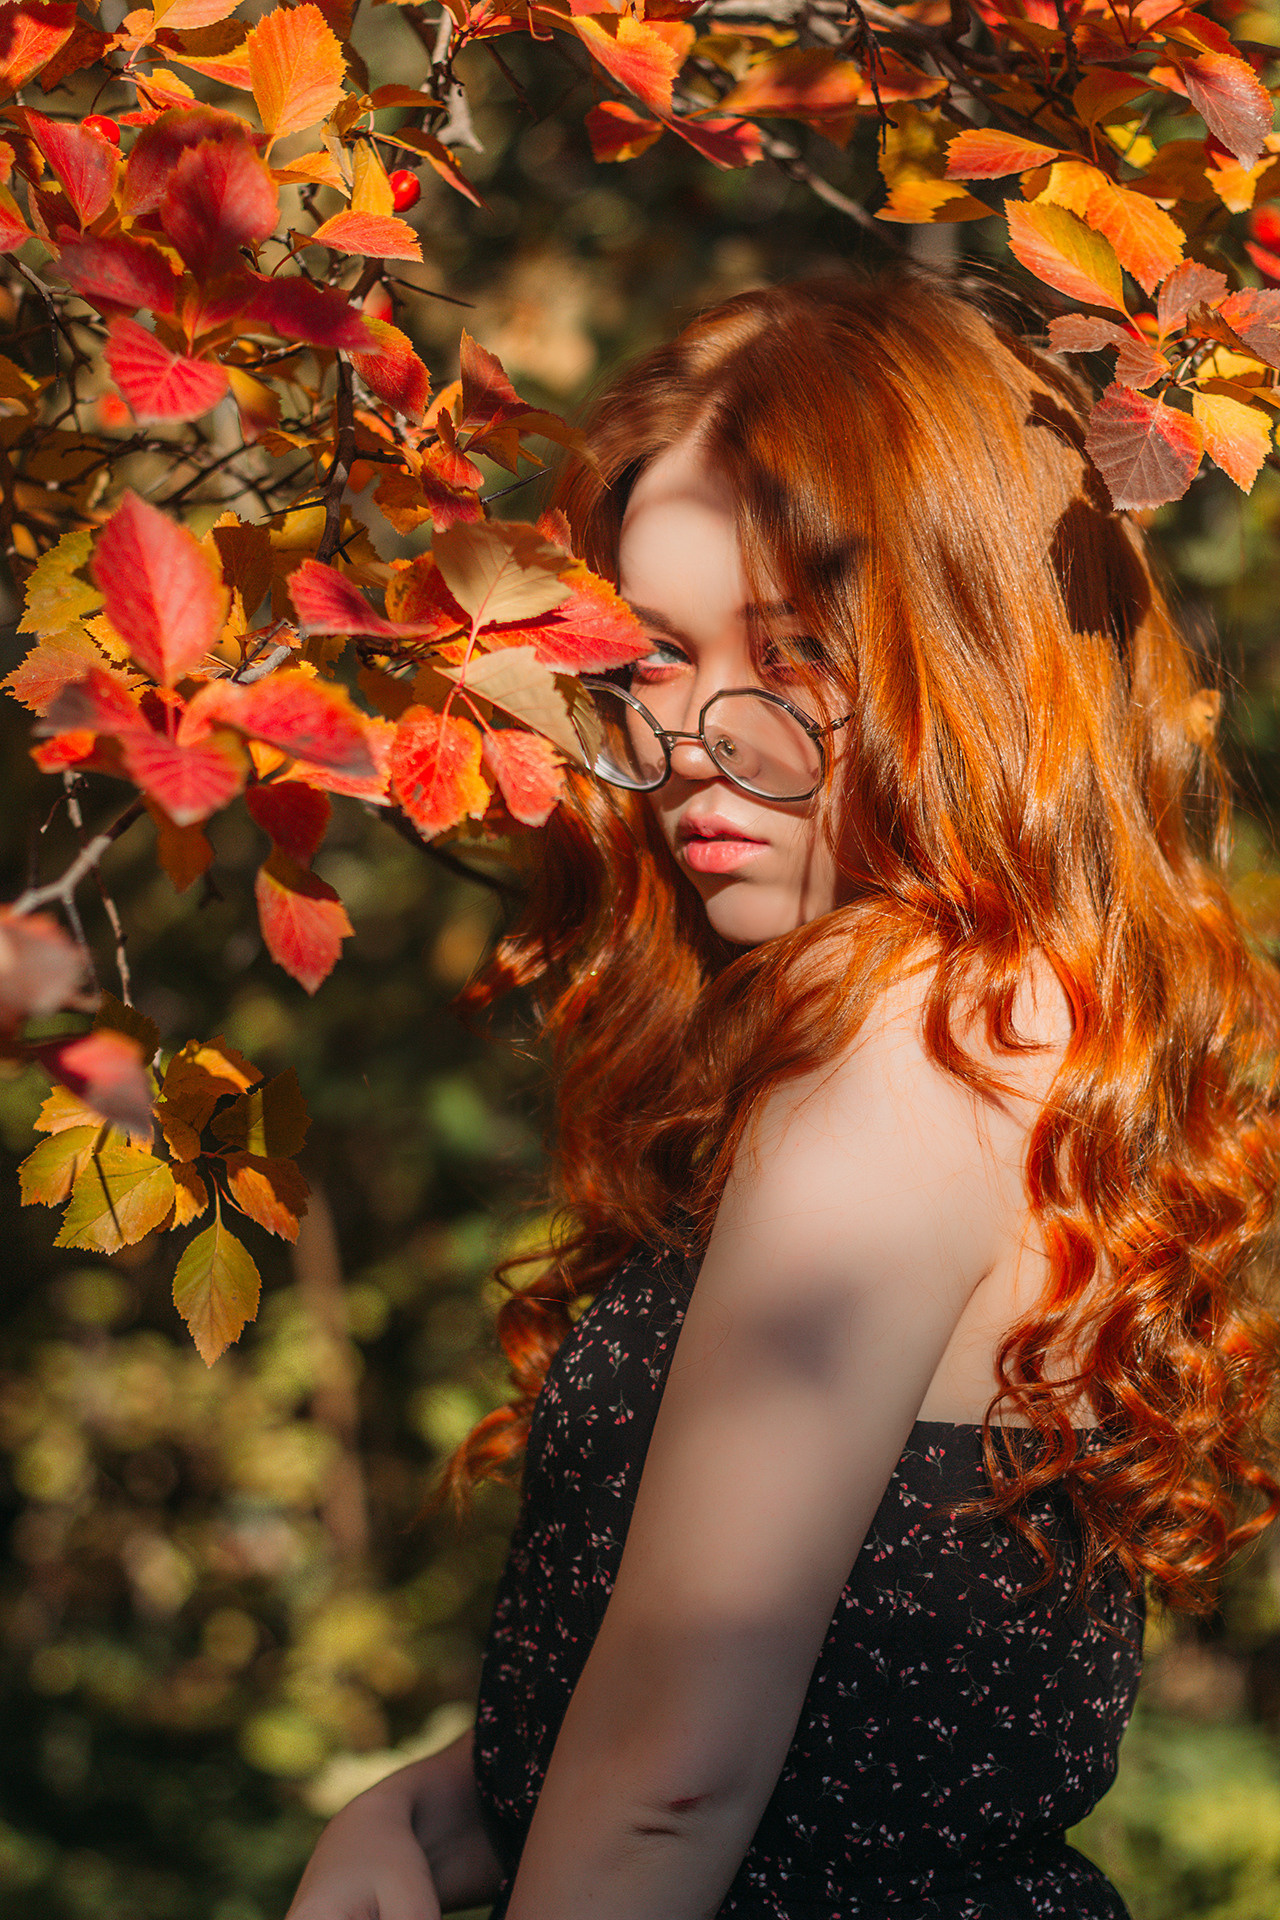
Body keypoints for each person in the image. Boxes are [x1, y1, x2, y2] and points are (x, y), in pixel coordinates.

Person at [285, 272, 1280, 1920]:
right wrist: (415, 1823)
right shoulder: (994, 1020)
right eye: (652, 657)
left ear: (966, 646)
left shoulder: (914, 1051)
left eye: (797, 648)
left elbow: (676, 1795)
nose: (689, 739)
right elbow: (817, 1709)